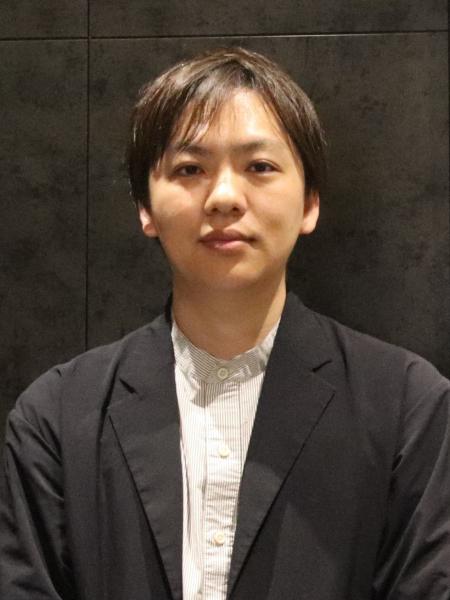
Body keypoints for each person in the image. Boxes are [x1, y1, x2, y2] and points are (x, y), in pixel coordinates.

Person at [0, 47, 449, 600]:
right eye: (190, 169)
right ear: (146, 207)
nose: (225, 197)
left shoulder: (408, 407)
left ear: (310, 203)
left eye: (259, 167)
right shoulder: (57, 416)